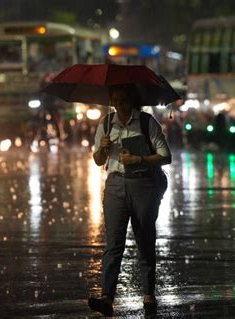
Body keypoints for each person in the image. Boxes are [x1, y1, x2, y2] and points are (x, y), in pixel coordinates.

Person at [88, 85, 171, 316]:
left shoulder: (146, 122)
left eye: (123, 100)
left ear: (131, 101)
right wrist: (102, 150)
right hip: (115, 185)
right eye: (115, 100)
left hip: (143, 184)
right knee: (113, 243)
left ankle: (148, 294)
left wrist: (139, 159)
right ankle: (107, 296)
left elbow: (166, 156)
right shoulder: (105, 124)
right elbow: (97, 160)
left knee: (145, 238)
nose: (119, 105)